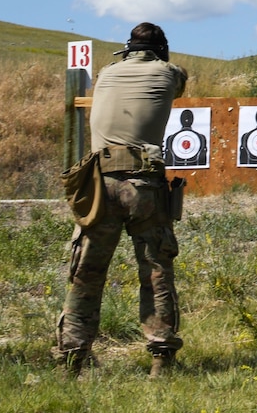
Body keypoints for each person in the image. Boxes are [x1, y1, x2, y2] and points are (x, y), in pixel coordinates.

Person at [54, 21, 189, 376]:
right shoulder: (169, 72)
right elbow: (180, 80)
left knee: (86, 274)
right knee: (156, 273)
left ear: (126, 50)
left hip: (98, 183)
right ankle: (161, 360)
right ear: (161, 50)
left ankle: (71, 361)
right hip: (144, 184)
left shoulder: (106, 73)